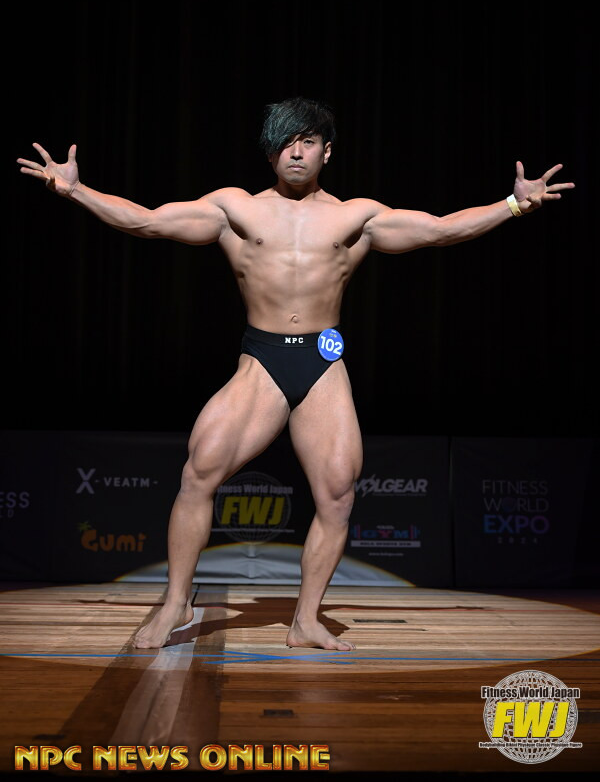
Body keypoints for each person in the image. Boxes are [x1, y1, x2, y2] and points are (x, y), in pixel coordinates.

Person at [17, 96, 574, 651]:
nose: (297, 152)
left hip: (322, 363)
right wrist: (76, 190)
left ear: (327, 152)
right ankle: (175, 604)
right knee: (199, 472)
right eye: (285, 143)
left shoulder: (356, 216)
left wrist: (514, 205)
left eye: (308, 141)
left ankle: (306, 620)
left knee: (338, 493)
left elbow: (441, 229)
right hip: (262, 360)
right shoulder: (235, 209)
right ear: (270, 153)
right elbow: (147, 221)